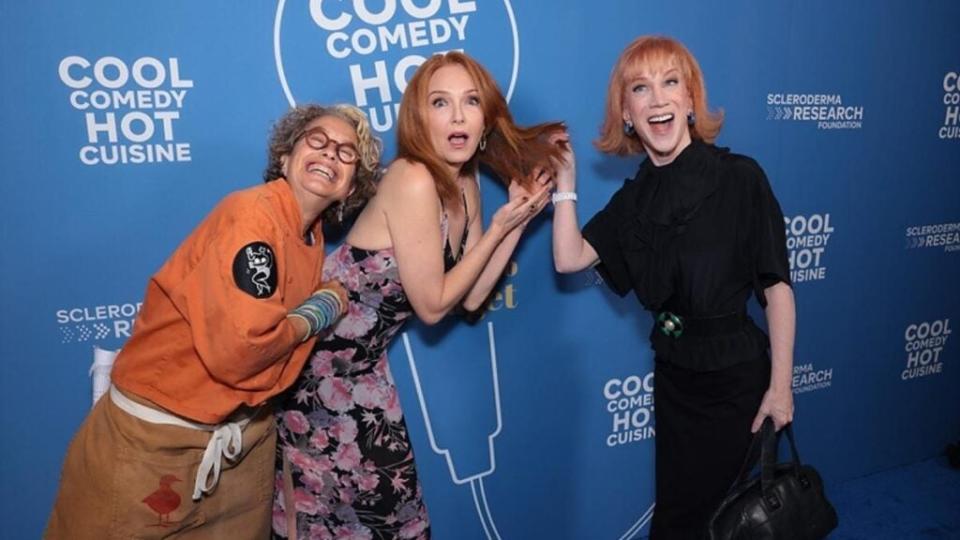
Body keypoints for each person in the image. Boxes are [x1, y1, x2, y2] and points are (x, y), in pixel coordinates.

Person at [45, 103, 382, 539]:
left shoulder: (310, 234)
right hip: (156, 443)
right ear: (284, 157)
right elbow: (243, 351)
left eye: (346, 152)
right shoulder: (252, 218)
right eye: (316, 140)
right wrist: (321, 309)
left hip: (241, 442)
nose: (330, 153)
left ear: (350, 187)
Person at [271, 52, 564, 539]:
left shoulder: (466, 184)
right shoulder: (412, 177)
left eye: (470, 102)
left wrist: (519, 219)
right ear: (419, 118)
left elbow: (469, 300)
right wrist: (499, 228)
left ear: (485, 118)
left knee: (396, 518)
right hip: (315, 367)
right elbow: (432, 306)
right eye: (440, 102)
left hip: (363, 367)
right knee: (347, 520)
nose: (456, 115)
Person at [550, 36, 796, 539]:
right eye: (640, 88)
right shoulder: (634, 200)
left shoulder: (740, 178)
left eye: (670, 83)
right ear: (626, 112)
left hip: (737, 383)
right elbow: (569, 257)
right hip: (675, 380)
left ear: (690, 100)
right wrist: (566, 184)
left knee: (722, 520)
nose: (657, 99)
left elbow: (776, 288)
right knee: (679, 519)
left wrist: (781, 387)